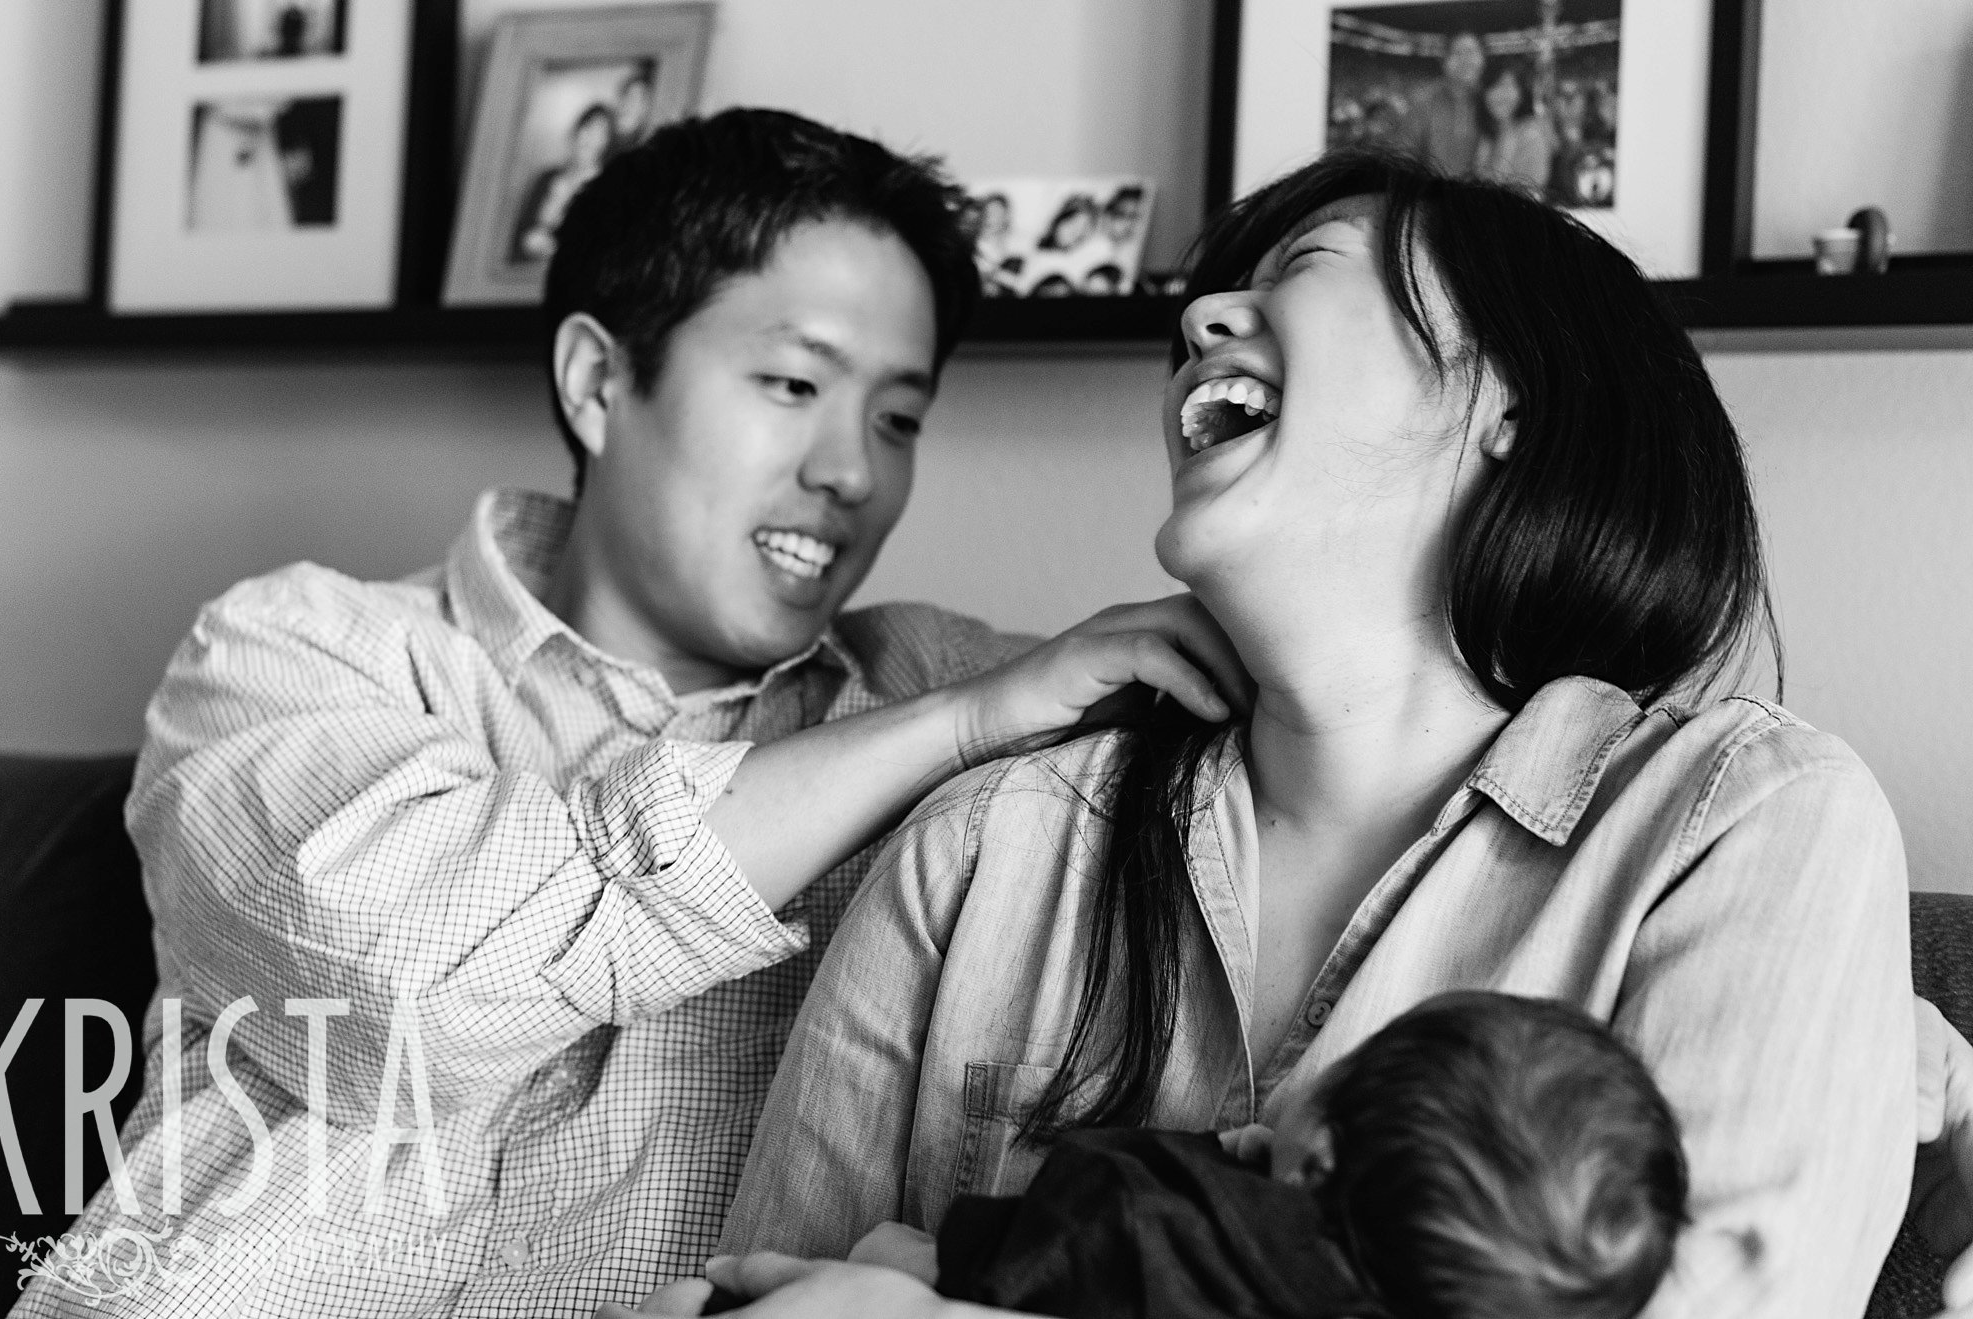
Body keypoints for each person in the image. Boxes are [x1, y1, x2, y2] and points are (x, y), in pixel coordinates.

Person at [9, 108, 1247, 1319]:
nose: (851, 471)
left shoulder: (944, 679)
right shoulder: (300, 646)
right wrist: (950, 732)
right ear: (599, 380)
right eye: (791, 380)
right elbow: (414, 992)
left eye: (898, 417)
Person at [717, 150, 1919, 1317]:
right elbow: (753, 1295)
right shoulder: (979, 854)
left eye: (1303, 263)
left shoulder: (1745, 823)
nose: (1200, 316)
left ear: (1504, 398)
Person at [705, 991, 1687, 1319]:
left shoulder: (1156, 1211)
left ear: (1315, 1161)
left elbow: (1045, 1232)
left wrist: (905, 1271)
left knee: (854, 1255)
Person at [512, 102, 619, 262]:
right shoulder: (546, 177)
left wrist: (552, 250)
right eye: (588, 127)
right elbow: (519, 231)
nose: (590, 138)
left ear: (607, 143)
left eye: (601, 133)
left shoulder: (606, 191)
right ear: (577, 131)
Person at [1403, 32, 1485, 176]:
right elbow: (1404, 155)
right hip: (1432, 192)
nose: (1465, 60)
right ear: (1444, 61)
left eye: (1471, 52)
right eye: (1457, 53)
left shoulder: (1491, 102)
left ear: (1483, 60)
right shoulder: (1423, 101)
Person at [1475, 62, 1552, 194]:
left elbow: (1533, 190)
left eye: (1508, 86)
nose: (1501, 94)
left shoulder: (1531, 134)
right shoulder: (1488, 133)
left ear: (1521, 93)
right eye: (1495, 86)